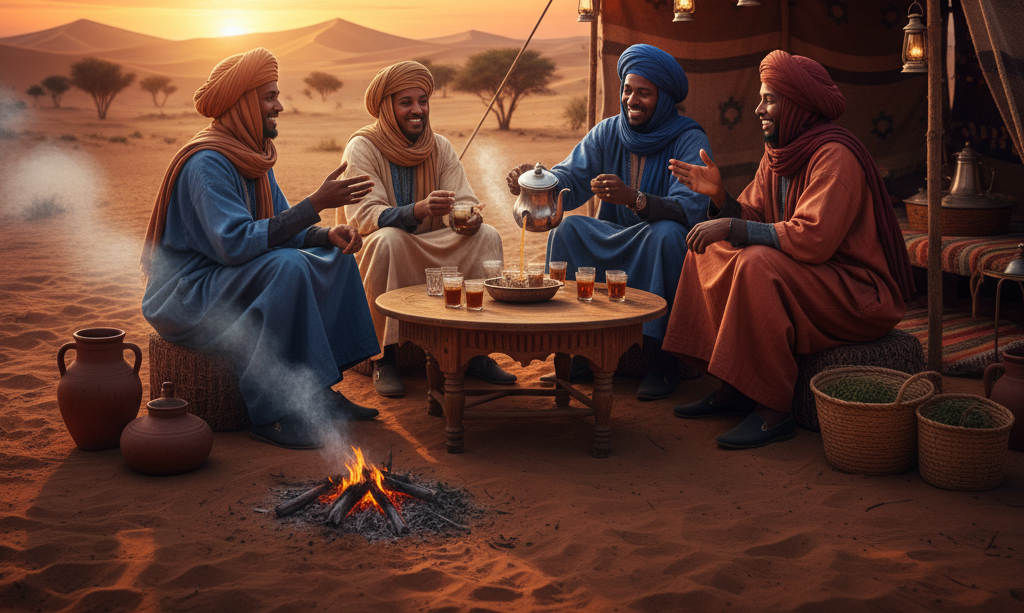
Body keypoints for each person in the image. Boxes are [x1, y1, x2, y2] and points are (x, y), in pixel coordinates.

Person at [664, 50, 914, 449]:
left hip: (854, 292)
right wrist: (719, 196)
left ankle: (773, 410)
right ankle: (733, 387)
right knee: (707, 249)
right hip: (811, 278)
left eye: (770, 99)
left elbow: (812, 238)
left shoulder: (836, 157)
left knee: (757, 264)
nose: (758, 108)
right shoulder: (778, 154)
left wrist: (734, 225)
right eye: (762, 98)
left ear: (797, 105)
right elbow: (751, 213)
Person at [141, 47, 381, 451]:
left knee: (333, 260)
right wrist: (315, 204)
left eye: (276, 96)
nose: (279, 106)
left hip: (227, 279)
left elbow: (280, 226)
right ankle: (273, 413)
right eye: (269, 97)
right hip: (187, 295)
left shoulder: (249, 157)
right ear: (243, 104)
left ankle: (320, 391)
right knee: (286, 267)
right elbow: (235, 242)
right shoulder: (206, 164)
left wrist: (327, 236)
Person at [507, 43, 711, 400]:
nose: (632, 99)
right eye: (628, 90)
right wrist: (535, 180)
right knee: (569, 229)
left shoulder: (688, 138)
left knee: (666, 235)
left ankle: (661, 363)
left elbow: (691, 209)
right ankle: (576, 353)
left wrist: (635, 199)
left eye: (644, 93)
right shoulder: (608, 131)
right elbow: (570, 176)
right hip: (614, 234)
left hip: (655, 237)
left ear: (663, 98)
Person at [341, 60, 512, 398]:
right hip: (386, 248)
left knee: (487, 234)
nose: (417, 110)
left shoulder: (440, 147)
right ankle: (384, 360)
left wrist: (467, 218)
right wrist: (415, 211)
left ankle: (477, 352)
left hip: (433, 243)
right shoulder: (362, 147)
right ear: (388, 108)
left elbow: (462, 201)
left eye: (423, 101)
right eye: (406, 102)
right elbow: (362, 216)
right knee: (388, 239)